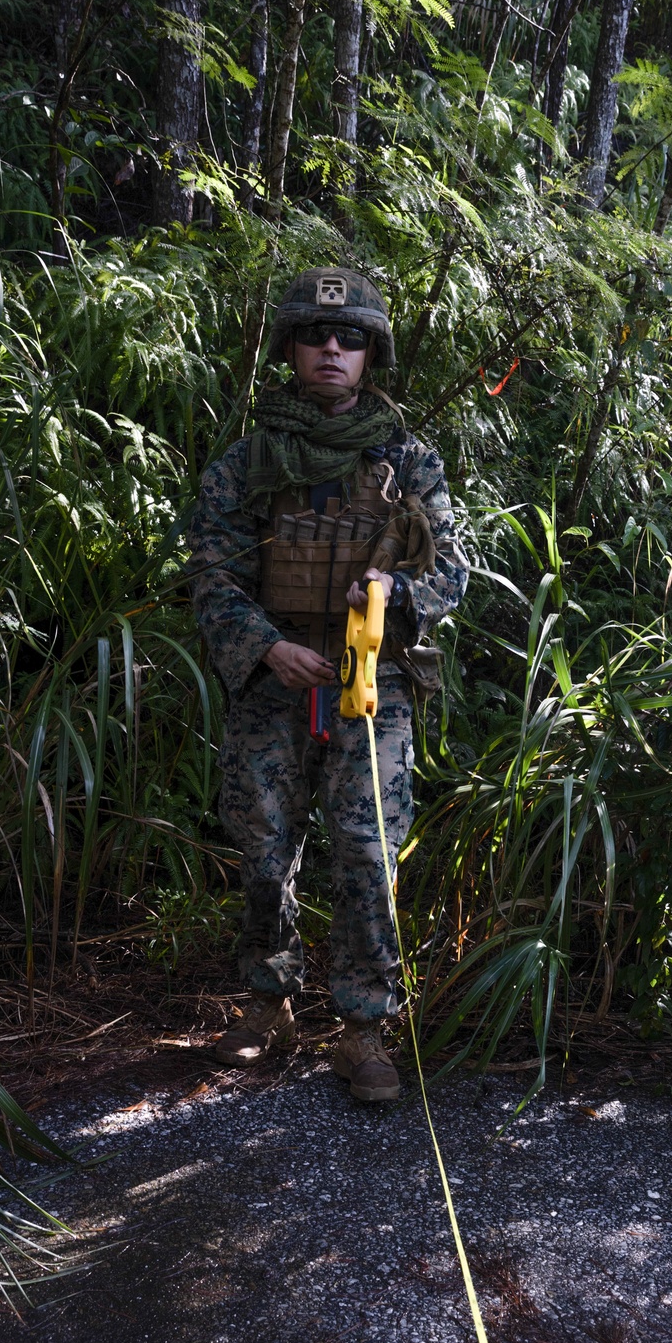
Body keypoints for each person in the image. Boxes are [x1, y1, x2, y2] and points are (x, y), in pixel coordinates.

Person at [188, 268, 468, 1101]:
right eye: (315, 336)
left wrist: (392, 596)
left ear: (370, 352)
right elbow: (211, 572)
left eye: (349, 339)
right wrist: (267, 648)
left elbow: (452, 568)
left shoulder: (409, 460)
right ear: (291, 349)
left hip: (368, 684)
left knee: (365, 852)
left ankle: (361, 1028)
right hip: (273, 679)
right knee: (265, 847)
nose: (332, 350)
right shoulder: (246, 461)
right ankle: (268, 1004)